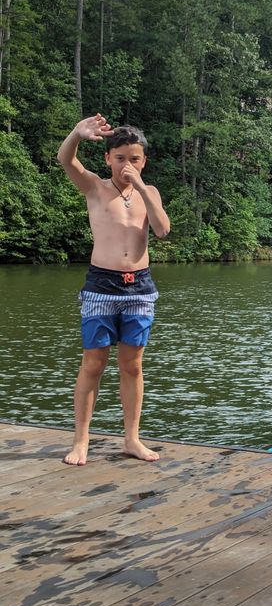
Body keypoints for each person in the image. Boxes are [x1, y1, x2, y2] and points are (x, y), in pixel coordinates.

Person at [57, 113, 171, 466]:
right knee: (93, 363)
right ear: (108, 158)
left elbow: (163, 229)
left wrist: (139, 187)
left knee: (132, 366)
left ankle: (132, 438)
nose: (126, 164)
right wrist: (77, 133)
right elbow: (65, 160)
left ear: (143, 161)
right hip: (101, 285)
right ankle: (81, 440)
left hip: (139, 287)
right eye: (120, 158)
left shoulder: (148, 192)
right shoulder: (95, 187)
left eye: (134, 158)